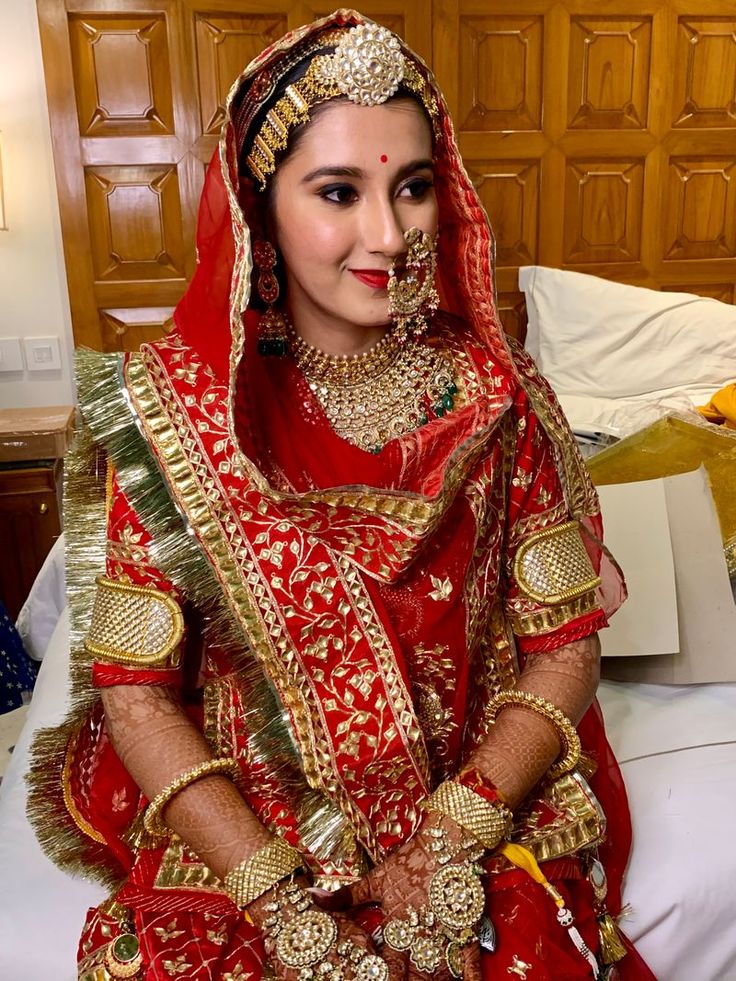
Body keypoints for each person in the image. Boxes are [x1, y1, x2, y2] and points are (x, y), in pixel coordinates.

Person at [28, 10, 655, 980]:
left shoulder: (501, 398)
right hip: (252, 805)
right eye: (336, 191)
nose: (388, 234)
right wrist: (274, 895)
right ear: (259, 207)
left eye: (411, 188)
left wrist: (450, 836)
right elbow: (136, 692)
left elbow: (565, 647)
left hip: (474, 786)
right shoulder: (171, 417)